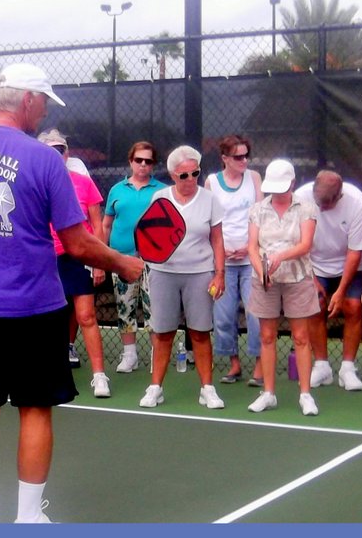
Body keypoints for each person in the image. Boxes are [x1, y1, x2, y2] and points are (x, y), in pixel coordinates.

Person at [0, 62, 143, 523]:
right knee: (35, 411)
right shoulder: (46, 160)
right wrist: (123, 262)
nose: (45, 110)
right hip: (36, 310)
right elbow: (77, 243)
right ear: (27, 99)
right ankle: (28, 519)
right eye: (44, 101)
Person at [136, 145, 225, 411]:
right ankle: (155, 388)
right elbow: (149, 235)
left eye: (195, 173)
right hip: (163, 273)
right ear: (173, 175)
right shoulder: (160, 198)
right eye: (184, 175)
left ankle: (207, 389)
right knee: (163, 333)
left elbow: (217, 240)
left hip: (200, 273)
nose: (190, 179)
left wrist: (219, 274)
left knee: (200, 332)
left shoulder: (210, 200)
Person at [246, 158, 320, 415]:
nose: (276, 193)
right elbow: (252, 247)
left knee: (301, 337)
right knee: (267, 336)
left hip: (298, 278)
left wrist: (280, 257)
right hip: (265, 281)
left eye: (282, 187)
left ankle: (305, 394)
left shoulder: (306, 208)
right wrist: (262, 271)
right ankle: (268, 394)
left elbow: (305, 244)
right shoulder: (257, 209)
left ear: (292, 183)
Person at [39, 129, 110, 397]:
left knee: (86, 316)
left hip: (80, 257)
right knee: (46, 319)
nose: (57, 154)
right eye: (51, 150)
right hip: (46, 259)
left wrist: (99, 262)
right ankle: (44, 374)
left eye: (61, 149)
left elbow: (97, 225)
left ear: (67, 153)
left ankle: (99, 377)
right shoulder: (34, 183)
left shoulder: (83, 182)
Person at [294, 168, 362, 393]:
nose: (322, 207)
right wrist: (311, 278)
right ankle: (322, 367)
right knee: (315, 305)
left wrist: (340, 291)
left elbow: (355, 252)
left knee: (353, 307)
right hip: (314, 262)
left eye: (328, 203)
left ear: (340, 195)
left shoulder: (357, 202)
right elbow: (296, 242)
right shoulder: (300, 198)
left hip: (349, 261)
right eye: (319, 202)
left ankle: (347, 368)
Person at [100, 141, 164, 375]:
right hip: (122, 261)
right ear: (131, 161)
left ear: (153, 164)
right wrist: (104, 256)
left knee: (154, 309)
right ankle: (130, 356)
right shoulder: (117, 190)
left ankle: (158, 356)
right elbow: (106, 225)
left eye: (148, 161)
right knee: (124, 307)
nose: (143, 165)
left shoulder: (162, 191)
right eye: (139, 160)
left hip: (153, 263)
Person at [206, 134, 261, 384]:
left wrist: (250, 246)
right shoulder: (211, 182)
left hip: (251, 260)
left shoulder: (254, 178)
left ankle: (260, 366)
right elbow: (209, 221)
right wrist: (221, 249)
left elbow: (260, 216)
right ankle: (234, 365)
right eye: (238, 157)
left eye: (246, 155)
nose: (244, 161)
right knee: (224, 316)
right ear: (225, 158)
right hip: (223, 263)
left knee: (255, 313)